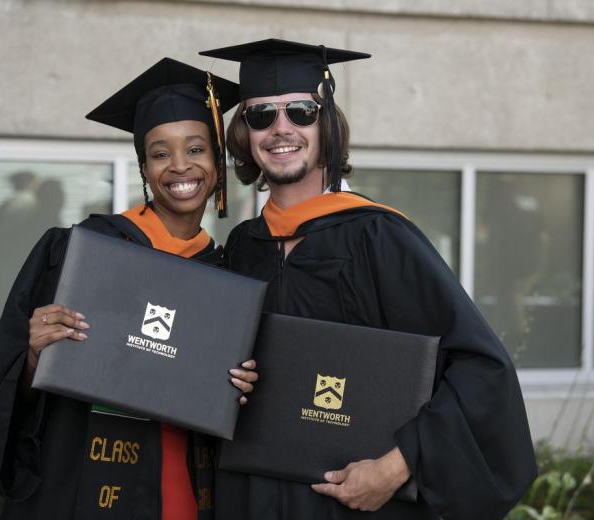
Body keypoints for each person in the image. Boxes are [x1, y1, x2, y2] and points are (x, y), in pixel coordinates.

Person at [201, 38, 537, 520]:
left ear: (327, 123)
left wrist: (398, 466)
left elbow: (481, 367)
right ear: (243, 134)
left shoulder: (380, 236)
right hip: (254, 496)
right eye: (260, 115)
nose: (280, 129)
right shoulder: (243, 246)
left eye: (300, 112)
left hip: (353, 504)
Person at [0, 58, 257, 520]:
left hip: (189, 490)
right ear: (143, 167)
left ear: (217, 161)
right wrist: (34, 356)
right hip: (82, 488)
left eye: (196, 149)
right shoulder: (82, 253)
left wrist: (243, 384)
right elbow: (9, 393)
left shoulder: (228, 276)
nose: (179, 167)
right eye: (160, 153)